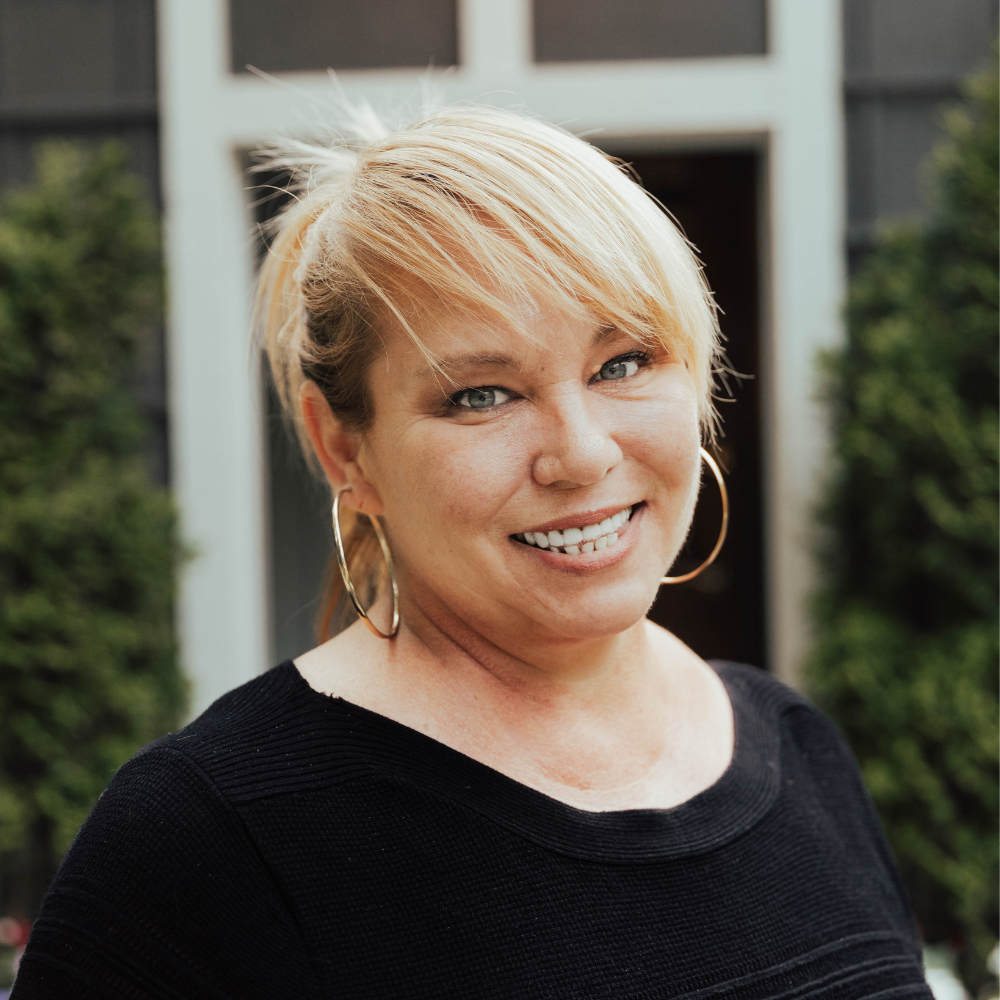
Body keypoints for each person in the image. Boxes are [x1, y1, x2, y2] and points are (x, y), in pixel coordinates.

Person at [13, 104, 930, 999]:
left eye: (623, 363)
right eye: (481, 395)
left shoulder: (796, 746)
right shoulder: (208, 839)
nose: (581, 453)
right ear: (345, 449)